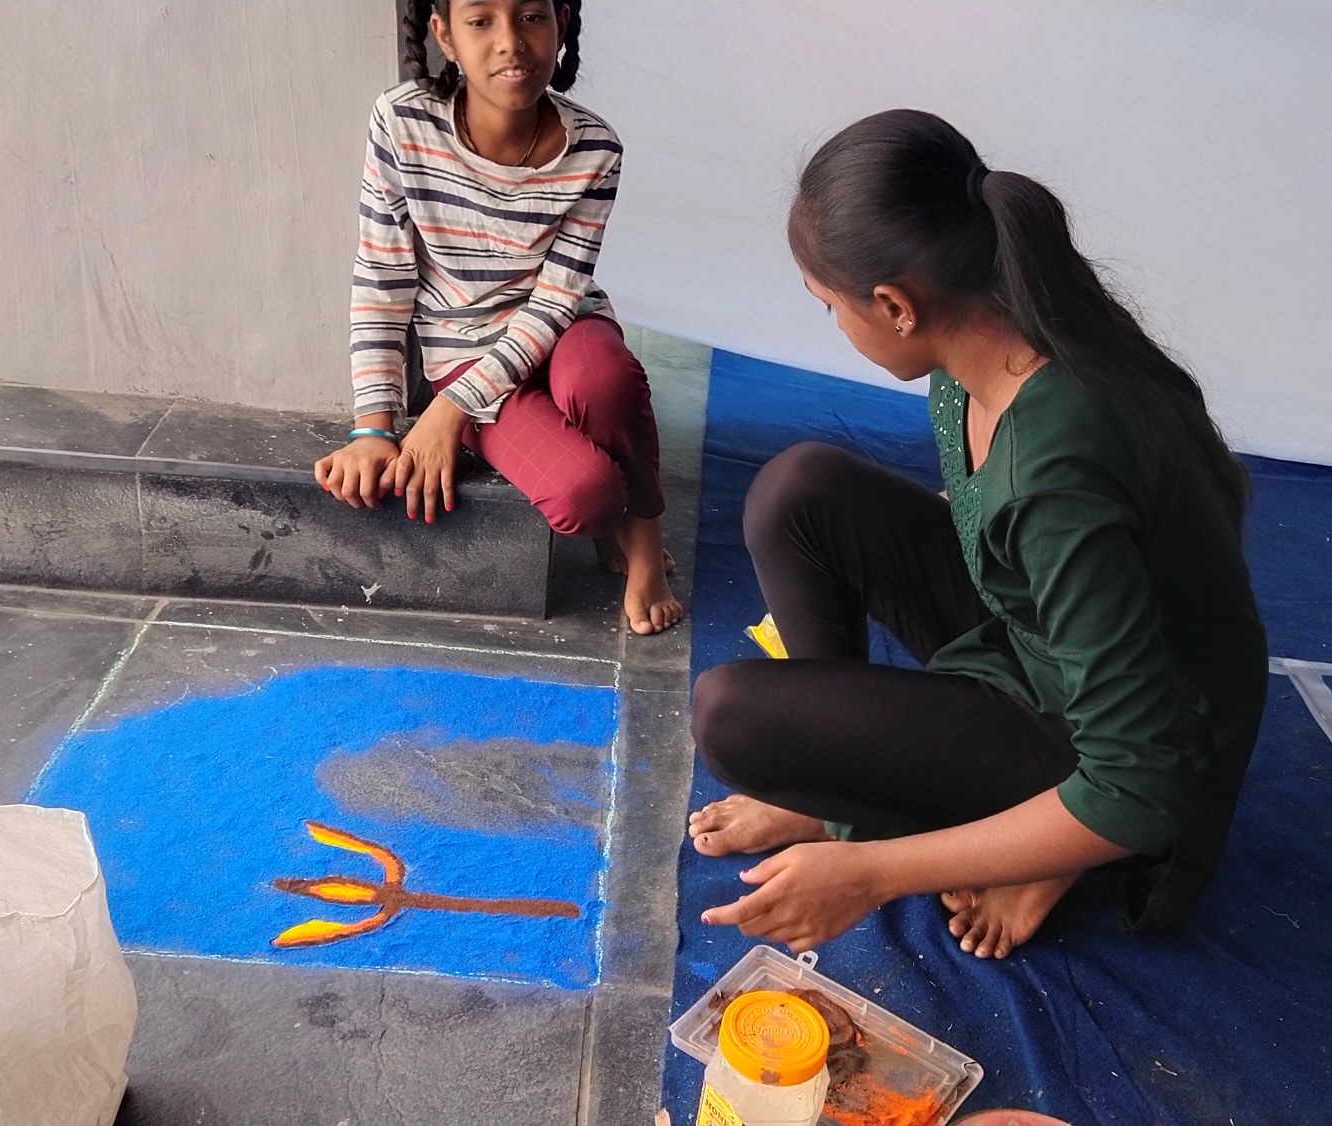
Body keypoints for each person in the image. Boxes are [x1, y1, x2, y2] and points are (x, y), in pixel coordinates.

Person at [689, 110, 1267, 958]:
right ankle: (848, 788)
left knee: (733, 717)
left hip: (1131, 747)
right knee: (797, 491)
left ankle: (1036, 842)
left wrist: (873, 871)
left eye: (830, 309)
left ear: (894, 305)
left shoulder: (1057, 462)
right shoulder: (989, 351)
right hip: (1043, 640)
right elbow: (1019, 545)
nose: (836, 328)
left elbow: (1145, 782)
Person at [312, 0, 682, 635]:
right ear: (444, 36)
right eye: (480, 20)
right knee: (585, 498)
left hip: (563, 329)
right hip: (464, 352)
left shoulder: (595, 148)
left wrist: (447, 413)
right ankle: (609, 516)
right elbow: (383, 277)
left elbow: (556, 300)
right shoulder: (402, 123)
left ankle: (644, 537)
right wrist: (373, 427)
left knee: (605, 381)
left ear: (561, 24)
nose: (510, 42)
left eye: (532, 16)